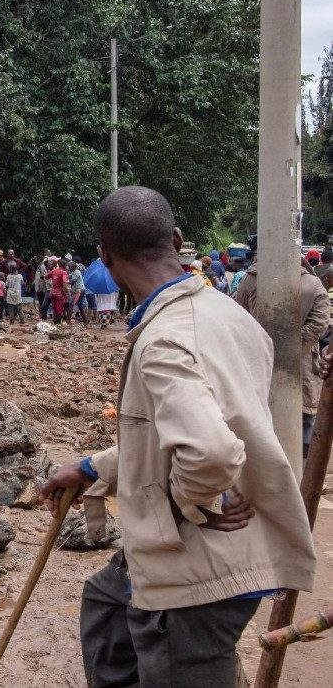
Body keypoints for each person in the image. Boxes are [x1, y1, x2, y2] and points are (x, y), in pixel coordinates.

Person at [40, 186, 315, 687]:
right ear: (176, 240)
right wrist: (88, 468)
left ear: (104, 256)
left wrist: (195, 503)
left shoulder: (164, 341)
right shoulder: (230, 315)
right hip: (219, 546)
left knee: (176, 661)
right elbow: (166, 437)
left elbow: (210, 452)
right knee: (106, 605)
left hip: (200, 570)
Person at [233, 252, 332, 459]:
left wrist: (262, 345)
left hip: (257, 360)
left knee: (260, 413)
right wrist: (295, 347)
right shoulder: (313, 284)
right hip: (301, 363)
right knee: (305, 416)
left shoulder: (249, 280)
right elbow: (320, 322)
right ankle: (300, 464)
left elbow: (237, 316)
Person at [48, 258, 70, 322]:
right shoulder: (63, 272)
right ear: (64, 265)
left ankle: (55, 322)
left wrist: (54, 281)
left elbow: (46, 277)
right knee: (59, 309)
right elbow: (64, 283)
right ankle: (58, 323)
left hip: (52, 292)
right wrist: (65, 292)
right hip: (59, 293)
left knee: (54, 307)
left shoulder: (54, 271)